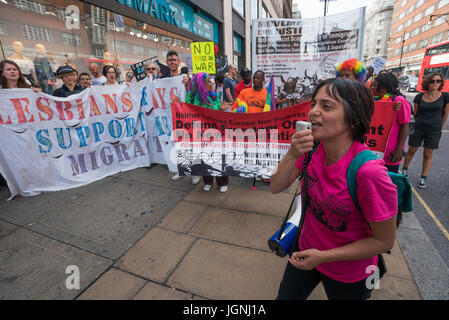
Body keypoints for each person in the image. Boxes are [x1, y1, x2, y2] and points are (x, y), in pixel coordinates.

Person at [271, 78, 397, 300]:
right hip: (304, 251)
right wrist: (292, 154)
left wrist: (324, 256)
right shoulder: (313, 150)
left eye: (326, 106)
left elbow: (384, 241)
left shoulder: (369, 173)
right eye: (314, 104)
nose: (313, 112)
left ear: (353, 117)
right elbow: (276, 186)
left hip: (351, 274)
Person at [402, 73, 449, 189]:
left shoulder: (445, 97)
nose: (435, 83)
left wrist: (439, 126)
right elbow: (416, 113)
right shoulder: (419, 97)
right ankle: (404, 170)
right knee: (411, 150)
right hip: (419, 128)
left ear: (441, 83)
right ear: (428, 82)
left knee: (428, 154)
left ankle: (423, 177)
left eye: (438, 81)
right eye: (433, 81)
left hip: (434, 130)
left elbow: (446, 113)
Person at [185, 72, 229, 192]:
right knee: (204, 157)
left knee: (218, 157)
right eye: (207, 80)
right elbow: (186, 110)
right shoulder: (191, 96)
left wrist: (217, 102)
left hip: (215, 131)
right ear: (200, 83)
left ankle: (222, 182)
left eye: (210, 80)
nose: (210, 82)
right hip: (200, 132)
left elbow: (216, 110)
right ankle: (208, 181)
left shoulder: (213, 94)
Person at [371, 73, 411, 173]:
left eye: (375, 85)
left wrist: (399, 150)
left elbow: (405, 126)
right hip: (376, 151)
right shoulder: (377, 100)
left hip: (391, 153)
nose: (372, 87)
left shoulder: (398, 101)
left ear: (383, 89)